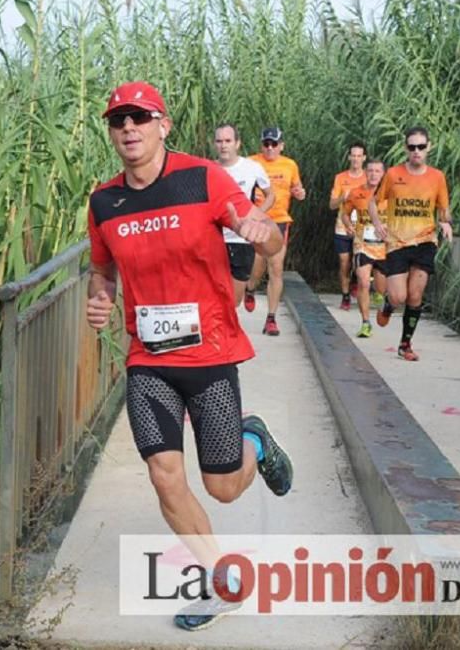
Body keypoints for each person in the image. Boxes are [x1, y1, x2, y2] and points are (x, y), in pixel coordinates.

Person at [85, 82, 294, 631]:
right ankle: (219, 581)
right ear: (111, 131)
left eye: (140, 117)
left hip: (210, 355)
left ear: (163, 125)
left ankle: (254, 438)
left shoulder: (203, 178)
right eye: (118, 120)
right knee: (164, 475)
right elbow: (101, 267)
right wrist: (100, 296)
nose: (129, 128)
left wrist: (261, 231)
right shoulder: (104, 201)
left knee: (223, 488)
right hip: (148, 359)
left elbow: (270, 242)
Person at [369, 126, 452, 361]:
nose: (417, 151)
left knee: (415, 295)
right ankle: (388, 305)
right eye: (412, 147)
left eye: (421, 147)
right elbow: (373, 203)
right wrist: (377, 223)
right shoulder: (394, 174)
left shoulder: (437, 177)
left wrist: (445, 222)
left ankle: (405, 344)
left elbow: (443, 208)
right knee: (399, 297)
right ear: (406, 148)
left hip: (425, 241)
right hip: (397, 242)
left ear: (429, 147)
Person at [244, 127, 306, 336]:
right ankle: (250, 288)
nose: (270, 148)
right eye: (266, 144)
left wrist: (300, 193)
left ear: (282, 145)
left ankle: (271, 319)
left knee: (276, 267)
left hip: (280, 221)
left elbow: (298, 189)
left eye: (274, 144)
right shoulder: (251, 163)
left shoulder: (290, 165)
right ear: (261, 145)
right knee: (257, 266)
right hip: (258, 220)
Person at [213, 123, 275, 306]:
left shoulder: (252, 168)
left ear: (237, 143)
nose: (223, 145)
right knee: (214, 297)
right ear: (214, 144)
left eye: (228, 141)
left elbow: (271, 195)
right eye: (219, 141)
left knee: (233, 302)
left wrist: (255, 218)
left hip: (241, 240)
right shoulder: (207, 168)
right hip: (214, 240)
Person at [341, 158, 387, 338]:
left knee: (382, 289)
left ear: (383, 173)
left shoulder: (390, 193)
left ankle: (380, 295)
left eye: (377, 171)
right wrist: (348, 225)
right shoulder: (356, 193)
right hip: (362, 244)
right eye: (370, 171)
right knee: (363, 282)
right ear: (365, 173)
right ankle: (366, 322)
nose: (374, 174)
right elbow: (345, 214)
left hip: (384, 247)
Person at [328, 142, 367, 311]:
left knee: (361, 264)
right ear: (349, 157)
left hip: (364, 227)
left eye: (359, 156)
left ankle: (355, 283)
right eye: (354, 156)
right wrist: (342, 198)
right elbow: (332, 205)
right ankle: (345, 296)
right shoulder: (340, 178)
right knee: (344, 262)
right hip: (342, 226)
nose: (356, 159)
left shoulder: (369, 177)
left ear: (364, 158)